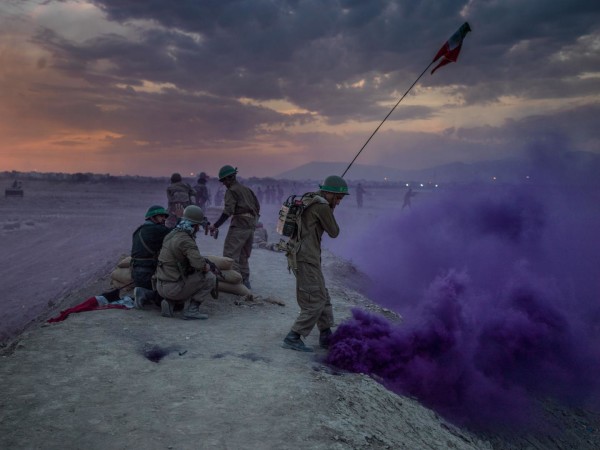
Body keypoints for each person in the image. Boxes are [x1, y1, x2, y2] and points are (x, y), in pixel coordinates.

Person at [282, 175, 348, 352]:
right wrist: (330, 209)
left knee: (322, 294)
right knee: (315, 299)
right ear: (329, 193)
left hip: (304, 255)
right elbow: (334, 232)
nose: (339, 202)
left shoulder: (309, 198)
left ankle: (326, 334)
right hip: (306, 257)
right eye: (338, 198)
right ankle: (294, 336)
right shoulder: (322, 206)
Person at [155, 205, 217, 320]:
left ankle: (170, 303)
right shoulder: (186, 240)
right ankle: (192, 310)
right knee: (210, 278)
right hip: (172, 288)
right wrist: (207, 266)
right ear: (196, 225)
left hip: (160, 285)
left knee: (185, 277)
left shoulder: (171, 234)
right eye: (198, 226)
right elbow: (199, 265)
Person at [208, 165, 260, 289]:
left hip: (239, 225)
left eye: (224, 181)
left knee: (230, 256)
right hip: (251, 225)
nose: (224, 183)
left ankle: (236, 283)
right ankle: (245, 281)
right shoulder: (247, 189)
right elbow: (257, 207)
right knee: (243, 254)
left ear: (228, 179)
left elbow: (228, 211)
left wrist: (215, 225)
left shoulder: (231, 191)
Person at [131, 205, 171, 309]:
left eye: (165, 217)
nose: (164, 219)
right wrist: (181, 218)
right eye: (161, 216)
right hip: (147, 274)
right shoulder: (156, 229)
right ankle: (145, 293)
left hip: (136, 273)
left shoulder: (139, 230)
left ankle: (143, 293)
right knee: (173, 300)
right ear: (152, 217)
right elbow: (176, 233)